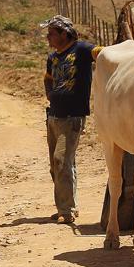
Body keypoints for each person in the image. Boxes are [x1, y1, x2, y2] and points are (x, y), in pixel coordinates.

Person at [40, 15, 102, 224]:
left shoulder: (82, 50)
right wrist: (50, 94)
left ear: (64, 33)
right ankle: (66, 207)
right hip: (53, 116)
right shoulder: (53, 57)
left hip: (72, 117)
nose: (48, 38)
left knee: (61, 161)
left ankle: (66, 211)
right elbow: (47, 78)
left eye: (51, 34)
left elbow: (102, 54)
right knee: (57, 165)